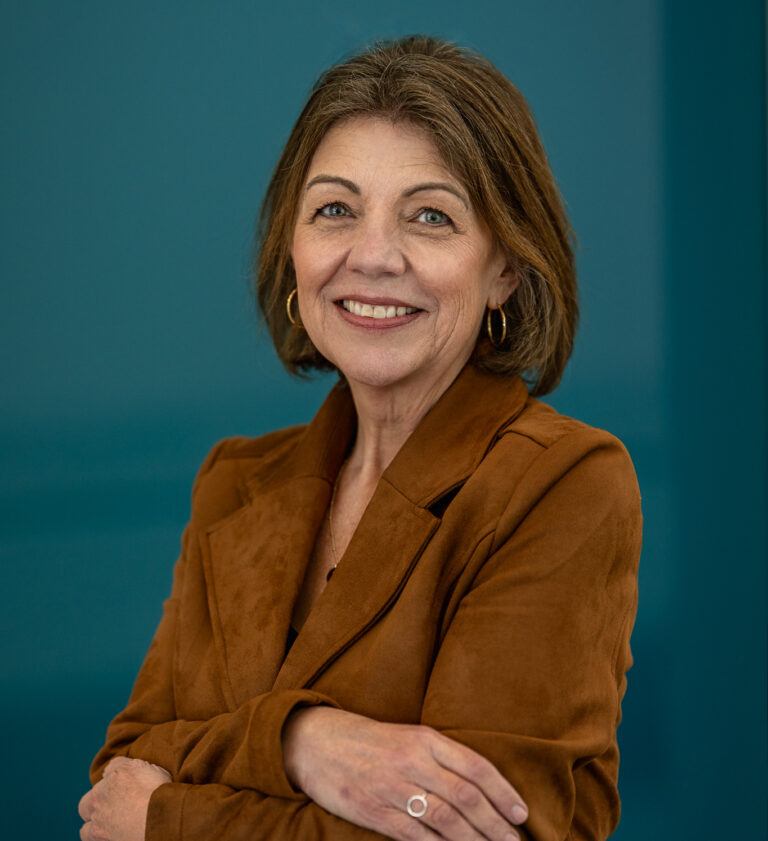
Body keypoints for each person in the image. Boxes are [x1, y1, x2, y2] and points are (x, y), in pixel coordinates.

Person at [78, 35, 641, 841]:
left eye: (431, 216)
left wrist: (168, 818)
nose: (373, 256)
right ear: (293, 249)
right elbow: (118, 777)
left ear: (506, 268)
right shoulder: (234, 483)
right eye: (335, 209)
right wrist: (303, 743)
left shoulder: (564, 482)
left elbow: (481, 837)